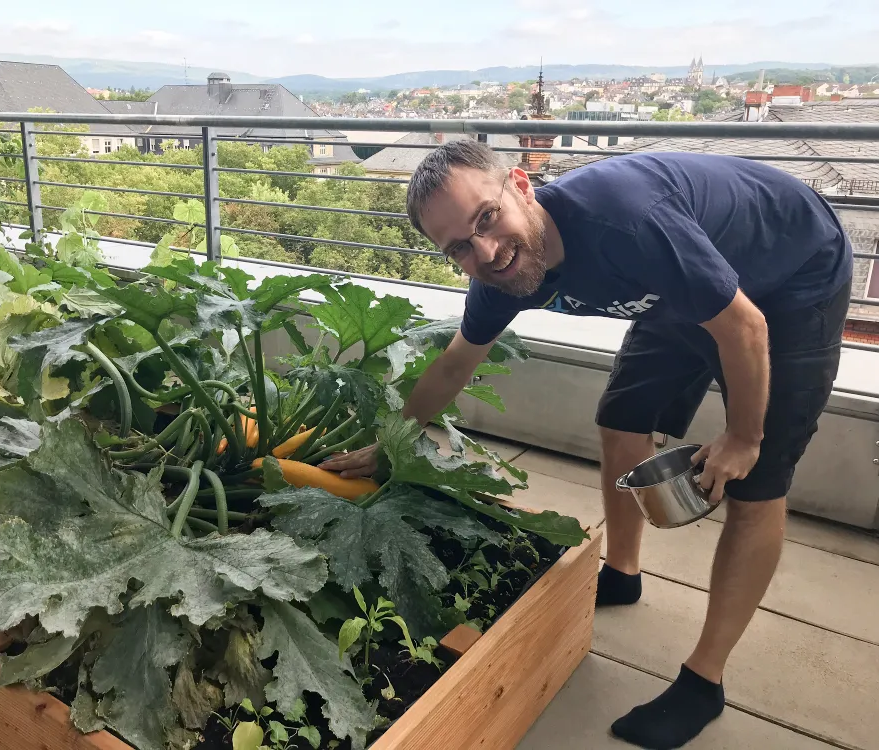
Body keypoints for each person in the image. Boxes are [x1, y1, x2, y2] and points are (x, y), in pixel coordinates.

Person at [319, 139, 852, 750]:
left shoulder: (626, 223)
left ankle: (704, 680)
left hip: (790, 274)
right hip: (687, 284)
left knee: (757, 485)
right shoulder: (498, 276)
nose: (486, 252)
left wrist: (744, 436)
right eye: (458, 248)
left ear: (521, 185)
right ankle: (622, 571)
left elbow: (744, 325)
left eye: (486, 219)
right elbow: (452, 366)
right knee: (622, 417)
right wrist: (393, 443)